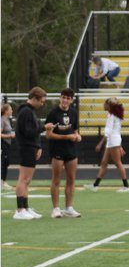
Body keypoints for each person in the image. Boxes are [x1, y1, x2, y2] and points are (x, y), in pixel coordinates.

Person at [44, 88, 82, 218]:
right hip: (57, 150)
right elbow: (48, 135)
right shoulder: (53, 113)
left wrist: (77, 136)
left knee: (71, 179)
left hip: (71, 150)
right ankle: (55, 209)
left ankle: (69, 208)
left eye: (68, 98)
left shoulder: (74, 113)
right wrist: (66, 137)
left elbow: (75, 130)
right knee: (56, 179)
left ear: (71, 100)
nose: (65, 100)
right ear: (60, 98)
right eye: (63, 97)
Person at [12, 87, 46, 220]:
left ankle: (25, 207)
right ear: (34, 98)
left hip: (31, 147)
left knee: (27, 180)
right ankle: (20, 209)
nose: (42, 104)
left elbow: (32, 132)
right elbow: (29, 132)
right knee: (23, 179)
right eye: (41, 101)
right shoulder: (26, 111)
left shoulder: (30, 111)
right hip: (26, 147)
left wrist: (38, 146)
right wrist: (44, 127)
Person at [86, 97, 129, 192]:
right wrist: (119, 145)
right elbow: (114, 132)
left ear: (109, 106)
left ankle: (126, 186)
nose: (103, 105)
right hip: (113, 141)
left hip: (113, 141)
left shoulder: (111, 116)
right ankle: (95, 185)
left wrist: (100, 144)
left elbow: (109, 132)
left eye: (105, 104)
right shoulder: (113, 115)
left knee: (118, 163)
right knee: (104, 163)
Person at [2, 103, 14, 192]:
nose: (12, 111)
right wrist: (10, 136)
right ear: (6, 111)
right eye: (10, 109)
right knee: (3, 163)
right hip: (3, 144)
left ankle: (3, 182)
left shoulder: (7, 120)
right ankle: (2, 183)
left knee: (6, 162)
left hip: (7, 144)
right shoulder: (2, 120)